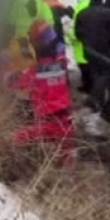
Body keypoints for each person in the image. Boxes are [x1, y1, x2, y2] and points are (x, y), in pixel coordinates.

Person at [11, 21, 75, 165]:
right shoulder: (61, 63)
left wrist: (10, 74)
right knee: (66, 159)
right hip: (66, 120)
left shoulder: (38, 70)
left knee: (15, 139)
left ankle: (21, 168)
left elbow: (17, 83)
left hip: (50, 122)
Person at [75, 0, 110, 111]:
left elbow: (77, 32)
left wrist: (86, 42)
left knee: (94, 72)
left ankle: (96, 100)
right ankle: (97, 99)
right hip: (105, 49)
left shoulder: (82, 13)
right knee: (105, 73)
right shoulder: (108, 13)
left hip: (88, 49)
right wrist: (109, 42)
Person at [70, 0, 92, 93]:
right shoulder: (92, 5)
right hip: (93, 40)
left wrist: (72, 37)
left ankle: (86, 85)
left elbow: (75, 25)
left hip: (80, 40)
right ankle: (91, 84)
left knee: (83, 63)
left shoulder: (79, 8)